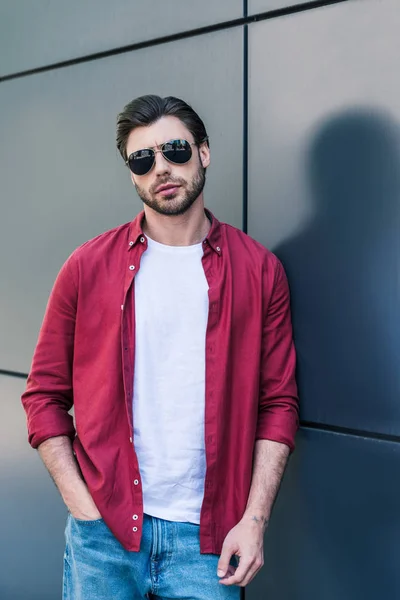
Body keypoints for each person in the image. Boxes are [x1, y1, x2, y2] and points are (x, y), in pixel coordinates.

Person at [21, 94, 299, 600]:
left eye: (175, 150)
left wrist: (255, 519)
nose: (162, 169)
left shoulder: (259, 271)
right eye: (143, 159)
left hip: (210, 541)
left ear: (205, 153)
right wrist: (83, 508)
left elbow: (278, 404)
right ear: (132, 173)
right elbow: (43, 398)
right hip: (103, 536)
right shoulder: (86, 268)